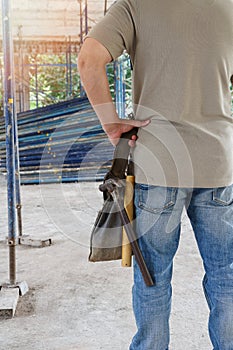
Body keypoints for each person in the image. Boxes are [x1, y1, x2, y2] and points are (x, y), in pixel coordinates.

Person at [78, 0, 233, 349]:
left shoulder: (135, 5)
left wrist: (111, 125)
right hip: (219, 165)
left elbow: (89, 59)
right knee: (227, 275)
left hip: (159, 164)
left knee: (153, 276)